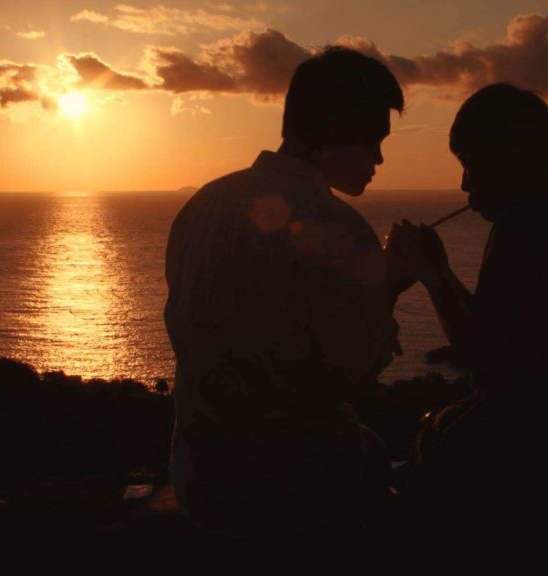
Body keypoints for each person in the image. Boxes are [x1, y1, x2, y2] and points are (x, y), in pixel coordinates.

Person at [163, 47, 412, 537]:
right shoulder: (340, 226)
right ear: (335, 130)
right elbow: (352, 371)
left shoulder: (203, 205)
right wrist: (392, 281)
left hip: (199, 477)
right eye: (373, 142)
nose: (380, 158)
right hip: (292, 486)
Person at [386, 83, 548, 561]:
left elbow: (489, 361)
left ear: (515, 157)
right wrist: (437, 270)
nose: (464, 186)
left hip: (534, 493)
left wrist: (434, 278)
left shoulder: (526, 234)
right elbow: (500, 331)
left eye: (472, 164)